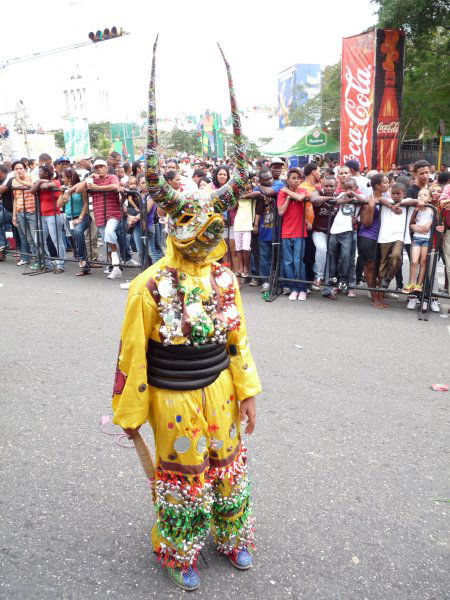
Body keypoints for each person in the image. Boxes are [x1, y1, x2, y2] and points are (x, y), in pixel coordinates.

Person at [113, 39, 260, 592]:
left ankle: (232, 535)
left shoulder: (225, 278)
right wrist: (130, 413)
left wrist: (246, 391)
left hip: (219, 388)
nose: (203, 241)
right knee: (183, 478)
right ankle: (180, 550)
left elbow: (238, 339)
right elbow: (132, 353)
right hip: (171, 396)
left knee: (228, 467)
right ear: (174, 230)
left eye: (211, 233)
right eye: (194, 232)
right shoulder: (147, 286)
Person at [80, 158, 122, 279]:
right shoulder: (92, 179)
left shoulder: (112, 177)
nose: (99, 169)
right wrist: (89, 178)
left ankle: (116, 266)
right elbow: (78, 190)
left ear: (106, 168)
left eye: (101, 167)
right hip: (99, 215)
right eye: (96, 167)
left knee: (109, 233)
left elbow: (115, 186)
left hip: (113, 213)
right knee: (108, 241)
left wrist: (96, 188)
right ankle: (115, 267)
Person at [327, 177, 365, 297]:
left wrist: (353, 194)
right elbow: (336, 202)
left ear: (356, 188)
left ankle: (349, 285)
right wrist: (347, 197)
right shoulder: (342, 195)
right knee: (334, 257)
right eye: (346, 187)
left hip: (349, 231)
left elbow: (363, 201)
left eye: (351, 188)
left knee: (347, 258)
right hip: (335, 230)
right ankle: (337, 284)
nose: (348, 190)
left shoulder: (358, 196)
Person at [277, 168, 311, 301]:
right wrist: (288, 197)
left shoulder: (302, 190)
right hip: (286, 231)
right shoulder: (282, 193)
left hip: (299, 231)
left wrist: (288, 192)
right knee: (288, 262)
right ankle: (293, 288)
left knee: (298, 262)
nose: (296, 180)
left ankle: (302, 289)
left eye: (298, 178)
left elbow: (301, 197)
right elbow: (280, 212)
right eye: (293, 178)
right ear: (288, 179)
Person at [358, 174, 387, 308]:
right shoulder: (368, 200)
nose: (389, 184)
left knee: (380, 268)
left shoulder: (388, 198)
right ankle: (374, 297)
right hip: (368, 237)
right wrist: (370, 206)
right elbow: (366, 222)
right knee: (370, 267)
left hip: (383, 238)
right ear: (377, 185)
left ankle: (380, 296)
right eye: (385, 182)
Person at [31, 165, 65, 272]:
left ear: (46, 173)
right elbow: (32, 190)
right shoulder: (40, 181)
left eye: (40, 172)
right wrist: (40, 181)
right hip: (42, 216)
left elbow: (45, 187)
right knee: (38, 240)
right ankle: (47, 262)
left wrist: (39, 182)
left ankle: (60, 264)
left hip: (53, 215)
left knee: (56, 240)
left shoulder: (57, 182)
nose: (38, 173)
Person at [58, 168, 91, 276]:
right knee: (77, 239)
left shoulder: (80, 187)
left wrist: (81, 218)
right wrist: (62, 192)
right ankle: (85, 266)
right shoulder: (65, 189)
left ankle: (81, 259)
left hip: (82, 216)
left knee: (78, 232)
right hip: (69, 218)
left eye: (64, 177)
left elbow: (86, 204)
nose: (62, 179)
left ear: (70, 178)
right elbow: (59, 205)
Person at [402, 188, 433, 296]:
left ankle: (419, 285)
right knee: (414, 261)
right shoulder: (416, 209)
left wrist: (430, 221)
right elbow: (410, 223)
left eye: (425, 195)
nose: (422, 197)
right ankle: (411, 283)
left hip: (427, 239)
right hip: (417, 237)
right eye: (420, 195)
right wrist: (413, 226)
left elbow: (437, 221)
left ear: (430, 198)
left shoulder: (432, 209)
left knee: (423, 261)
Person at [310, 176, 338, 291]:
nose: (329, 188)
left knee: (336, 256)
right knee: (322, 249)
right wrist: (329, 198)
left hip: (335, 232)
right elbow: (314, 199)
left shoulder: (340, 196)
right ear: (322, 186)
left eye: (332, 186)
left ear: (336, 186)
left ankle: (334, 281)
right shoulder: (318, 192)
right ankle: (319, 277)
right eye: (326, 186)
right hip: (319, 230)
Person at [11, 160, 38, 268]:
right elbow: (16, 199)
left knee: (35, 237)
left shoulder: (32, 176)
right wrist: (14, 215)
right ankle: (35, 259)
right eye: (16, 169)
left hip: (32, 211)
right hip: (20, 212)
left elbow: (34, 186)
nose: (18, 170)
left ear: (25, 168)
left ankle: (40, 259)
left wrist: (20, 181)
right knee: (29, 239)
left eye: (20, 168)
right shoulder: (14, 181)